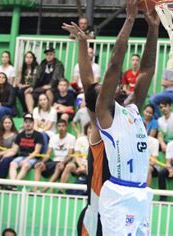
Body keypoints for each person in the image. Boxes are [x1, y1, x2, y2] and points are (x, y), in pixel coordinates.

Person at [94, 0, 159, 235]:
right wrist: (130, 19)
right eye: (111, 85)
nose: (118, 84)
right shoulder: (105, 114)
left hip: (141, 193)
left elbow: (146, 71)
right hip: (119, 196)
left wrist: (153, 29)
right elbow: (114, 64)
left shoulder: (132, 109)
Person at [62, 21, 111, 236]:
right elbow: (87, 82)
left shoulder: (128, 120)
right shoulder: (99, 127)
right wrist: (82, 43)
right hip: (97, 214)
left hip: (118, 212)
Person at [33, 119, 76, 192]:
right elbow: (48, 154)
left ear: (66, 127)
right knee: (38, 166)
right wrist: (42, 162)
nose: (61, 128)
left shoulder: (71, 138)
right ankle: (35, 189)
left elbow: (70, 156)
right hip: (54, 161)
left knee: (58, 166)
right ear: (57, 127)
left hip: (64, 162)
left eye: (63, 126)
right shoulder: (53, 138)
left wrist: (62, 163)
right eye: (59, 126)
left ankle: (44, 190)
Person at [3, 113, 44, 183]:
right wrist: (4, 156)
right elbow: (14, 150)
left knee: (25, 165)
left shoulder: (38, 135)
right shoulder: (20, 135)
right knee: (12, 164)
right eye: (26, 122)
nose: (28, 124)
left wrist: (26, 160)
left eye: (30, 122)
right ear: (23, 123)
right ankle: (12, 183)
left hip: (33, 158)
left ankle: (14, 184)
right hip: (21, 156)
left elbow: (37, 151)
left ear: (33, 123)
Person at [24, 45, 65, 111]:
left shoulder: (58, 64)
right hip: (42, 87)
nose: (48, 56)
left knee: (48, 91)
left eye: (50, 54)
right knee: (28, 93)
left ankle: (49, 111)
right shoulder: (43, 63)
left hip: (54, 87)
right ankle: (31, 113)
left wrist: (50, 85)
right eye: (47, 54)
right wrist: (32, 87)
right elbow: (36, 76)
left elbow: (56, 78)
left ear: (54, 55)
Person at [61, 122, 91, 188]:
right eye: (90, 128)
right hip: (79, 164)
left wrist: (85, 167)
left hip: (90, 165)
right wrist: (81, 166)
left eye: (93, 129)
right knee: (69, 166)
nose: (91, 130)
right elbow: (76, 155)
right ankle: (61, 190)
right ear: (86, 129)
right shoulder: (80, 140)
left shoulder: (98, 142)